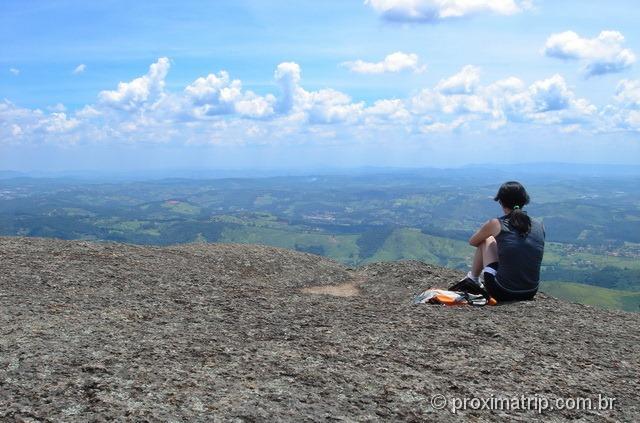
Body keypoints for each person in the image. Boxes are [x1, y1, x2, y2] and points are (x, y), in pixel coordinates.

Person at [451, 181, 545, 302]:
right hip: (530, 291)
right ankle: (474, 279)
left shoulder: (496, 224)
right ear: (524, 201)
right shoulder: (539, 225)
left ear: (501, 202)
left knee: (487, 239)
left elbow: (473, 242)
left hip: (503, 291)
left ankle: (473, 279)